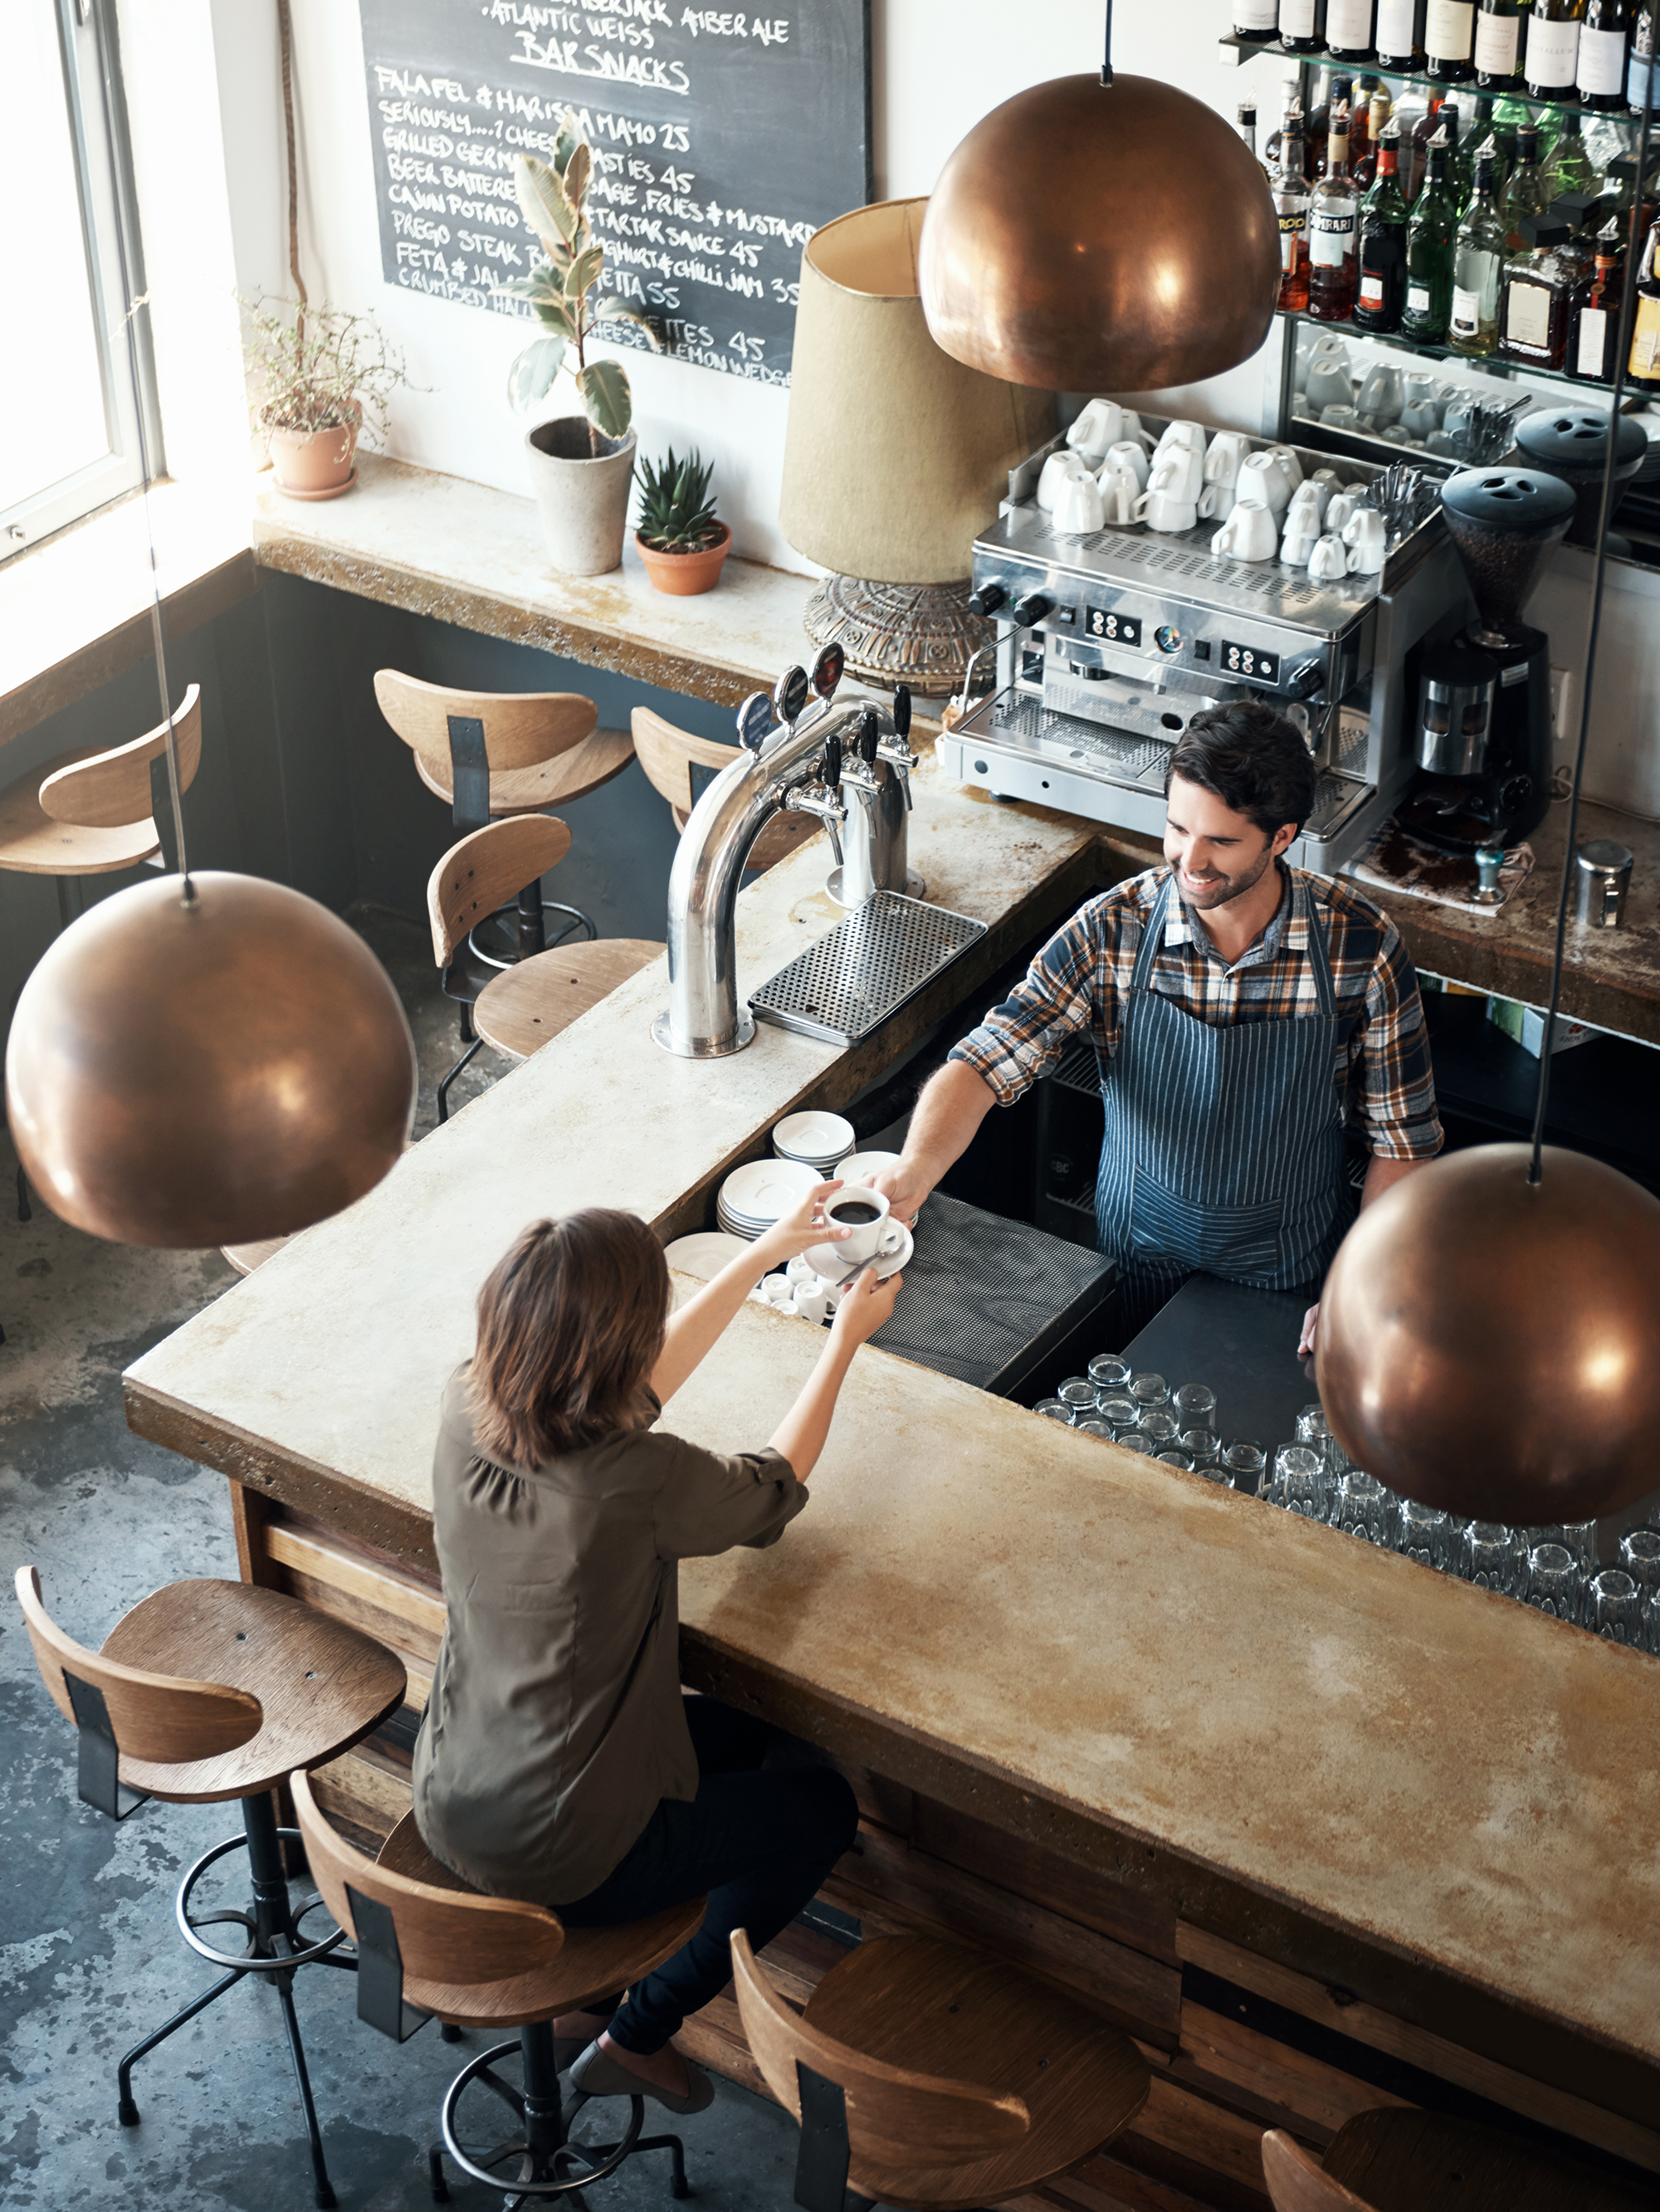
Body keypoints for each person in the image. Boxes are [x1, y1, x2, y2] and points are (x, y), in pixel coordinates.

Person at [412, 1189, 899, 2113]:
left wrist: (758, 1257)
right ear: (620, 1347)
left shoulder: (466, 1398)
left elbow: (613, 1404)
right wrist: (844, 1339)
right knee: (819, 1805)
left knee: (748, 1736)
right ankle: (636, 2029)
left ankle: (580, 1996)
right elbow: (772, 1488)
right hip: (565, 1852)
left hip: (451, 1792)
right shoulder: (639, 1479)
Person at [875, 701, 1442, 1352]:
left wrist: (1358, 1283)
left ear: (1282, 837)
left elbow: (1403, 1143)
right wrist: (914, 1170)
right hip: (1136, 1252)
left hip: (1291, 1267)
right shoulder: (1113, 928)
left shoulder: (1359, 947)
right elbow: (986, 1060)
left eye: (1221, 842)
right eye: (1177, 828)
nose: (1189, 859)